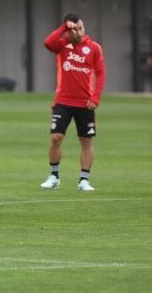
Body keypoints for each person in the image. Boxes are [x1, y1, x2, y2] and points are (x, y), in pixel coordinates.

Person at [41, 14, 106, 191]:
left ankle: (84, 180)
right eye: (74, 29)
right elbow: (48, 43)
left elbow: (100, 73)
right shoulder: (62, 45)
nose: (78, 31)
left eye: (81, 27)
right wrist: (63, 28)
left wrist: (96, 97)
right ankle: (54, 176)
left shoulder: (94, 48)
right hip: (63, 101)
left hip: (85, 103)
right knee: (56, 138)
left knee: (86, 141)